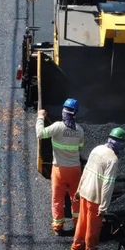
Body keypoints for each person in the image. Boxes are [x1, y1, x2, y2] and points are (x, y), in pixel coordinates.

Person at [72, 127, 125, 250]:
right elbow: (107, 185)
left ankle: (76, 249)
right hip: (95, 198)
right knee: (93, 228)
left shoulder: (96, 149)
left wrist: (78, 190)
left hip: (84, 193)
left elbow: (86, 171)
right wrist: (103, 206)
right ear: (120, 143)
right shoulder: (112, 159)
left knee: (81, 223)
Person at [36, 99, 85, 235]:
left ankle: (58, 226)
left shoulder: (57, 127)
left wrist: (40, 116)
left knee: (57, 199)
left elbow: (40, 134)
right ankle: (78, 225)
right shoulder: (80, 130)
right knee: (75, 198)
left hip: (59, 170)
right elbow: (80, 147)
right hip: (75, 170)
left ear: (63, 111)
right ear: (75, 113)